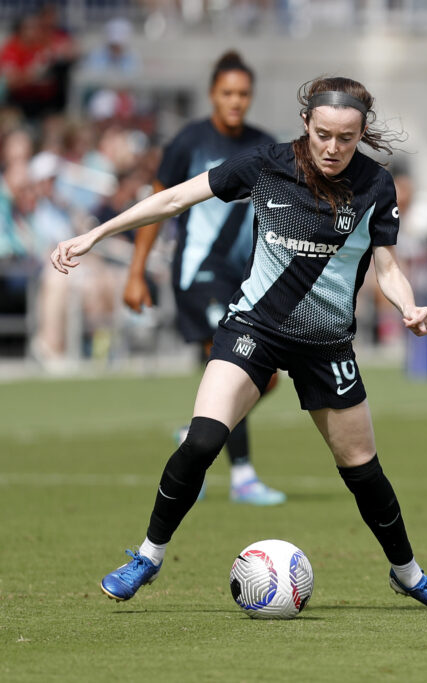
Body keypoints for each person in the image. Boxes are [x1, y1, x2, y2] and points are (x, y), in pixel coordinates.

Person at [50, 75, 427, 613]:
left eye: (347, 138)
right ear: (306, 124)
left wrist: (407, 305)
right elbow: (177, 197)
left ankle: (411, 576)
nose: (334, 148)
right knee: (202, 441)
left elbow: (386, 266)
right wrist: (94, 235)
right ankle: (147, 557)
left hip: (327, 344)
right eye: (324, 134)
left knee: (362, 470)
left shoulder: (375, 185)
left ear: (361, 133)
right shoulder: (268, 163)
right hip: (254, 328)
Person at [122, 51, 285, 506]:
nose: (236, 101)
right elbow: (158, 206)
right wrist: (136, 273)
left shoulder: (265, 146)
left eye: (243, 94)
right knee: (232, 360)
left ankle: (198, 431)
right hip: (198, 274)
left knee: (264, 378)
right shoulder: (188, 142)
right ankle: (244, 476)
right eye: (227, 92)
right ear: (213, 93)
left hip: (248, 279)